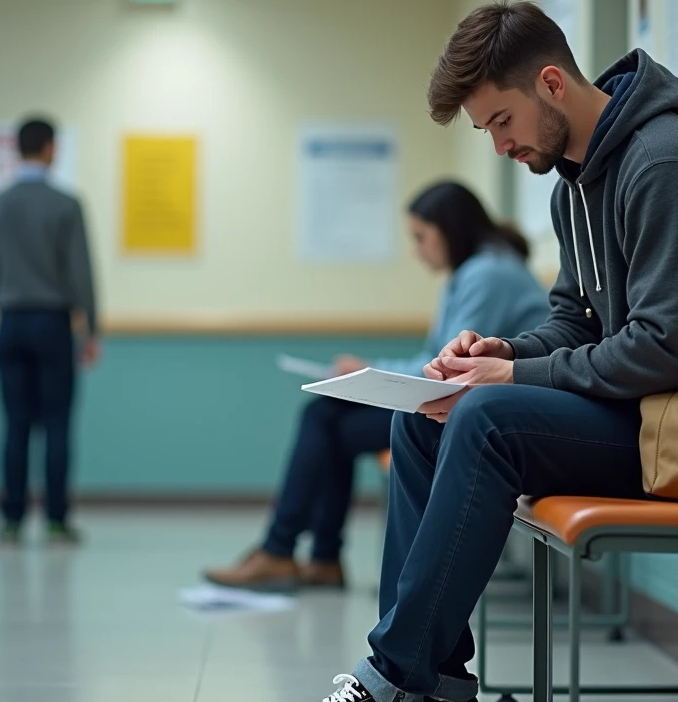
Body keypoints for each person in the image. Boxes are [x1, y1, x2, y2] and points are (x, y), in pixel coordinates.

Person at [245, 0, 678, 702]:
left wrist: (509, 378)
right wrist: (495, 352)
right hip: (655, 414)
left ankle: (387, 686)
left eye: (501, 122)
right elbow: (574, 320)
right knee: (428, 412)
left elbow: (671, 350)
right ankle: (441, 692)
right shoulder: (576, 184)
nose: (499, 144)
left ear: (550, 84)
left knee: (485, 418)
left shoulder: (667, 165)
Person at [205, 180, 549, 592]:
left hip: (490, 412)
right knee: (326, 416)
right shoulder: (475, 270)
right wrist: (369, 369)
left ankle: (293, 552)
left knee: (326, 422)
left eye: (421, 237)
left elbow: (448, 366)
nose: (415, 249)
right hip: (470, 401)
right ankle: (314, 557)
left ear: (451, 230)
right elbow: (437, 358)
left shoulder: (488, 274)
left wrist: (369, 367)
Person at [0, 117, 99, 546]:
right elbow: (81, 273)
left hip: (9, 322)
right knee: (58, 425)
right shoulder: (66, 204)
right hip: (52, 323)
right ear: (49, 149)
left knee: (14, 424)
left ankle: (10, 521)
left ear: (17, 149)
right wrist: (92, 326)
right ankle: (56, 521)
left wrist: (6, 298)